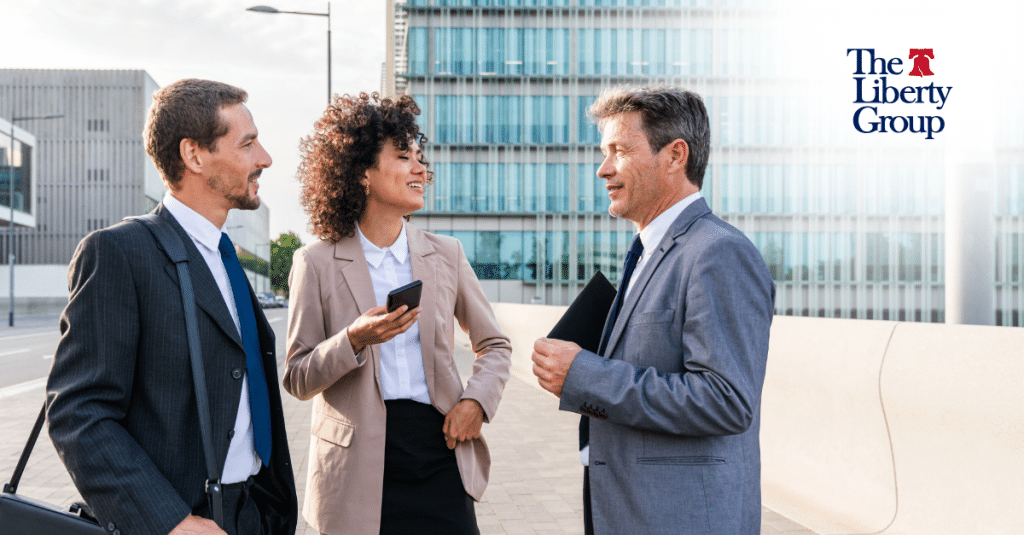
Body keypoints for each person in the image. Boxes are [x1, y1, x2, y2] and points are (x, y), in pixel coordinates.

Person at [46, 78, 298, 535]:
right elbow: (79, 413)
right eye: (247, 144)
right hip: (183, 519)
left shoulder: (225, 259)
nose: (265, 158)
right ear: (194, 155)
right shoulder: (119, 252)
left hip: (252, 511)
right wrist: (171, 522)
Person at [531, 86, 775, 534]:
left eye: (619, 151)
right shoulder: (646, 250)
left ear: (675, 155)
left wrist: (585, 375)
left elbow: (727, 400)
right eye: (604, 153)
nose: (604, 169)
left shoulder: (718, 253)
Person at [284, 92, 512, 535]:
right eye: (403, 156)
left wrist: (476, 402)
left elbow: (495, 345)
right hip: (356, 467)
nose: (420, 169)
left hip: (439, 450)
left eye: (421, 158)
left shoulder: (447, 254)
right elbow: (296, 376)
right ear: (363, 173)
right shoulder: (315, 261)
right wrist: (353, 338)